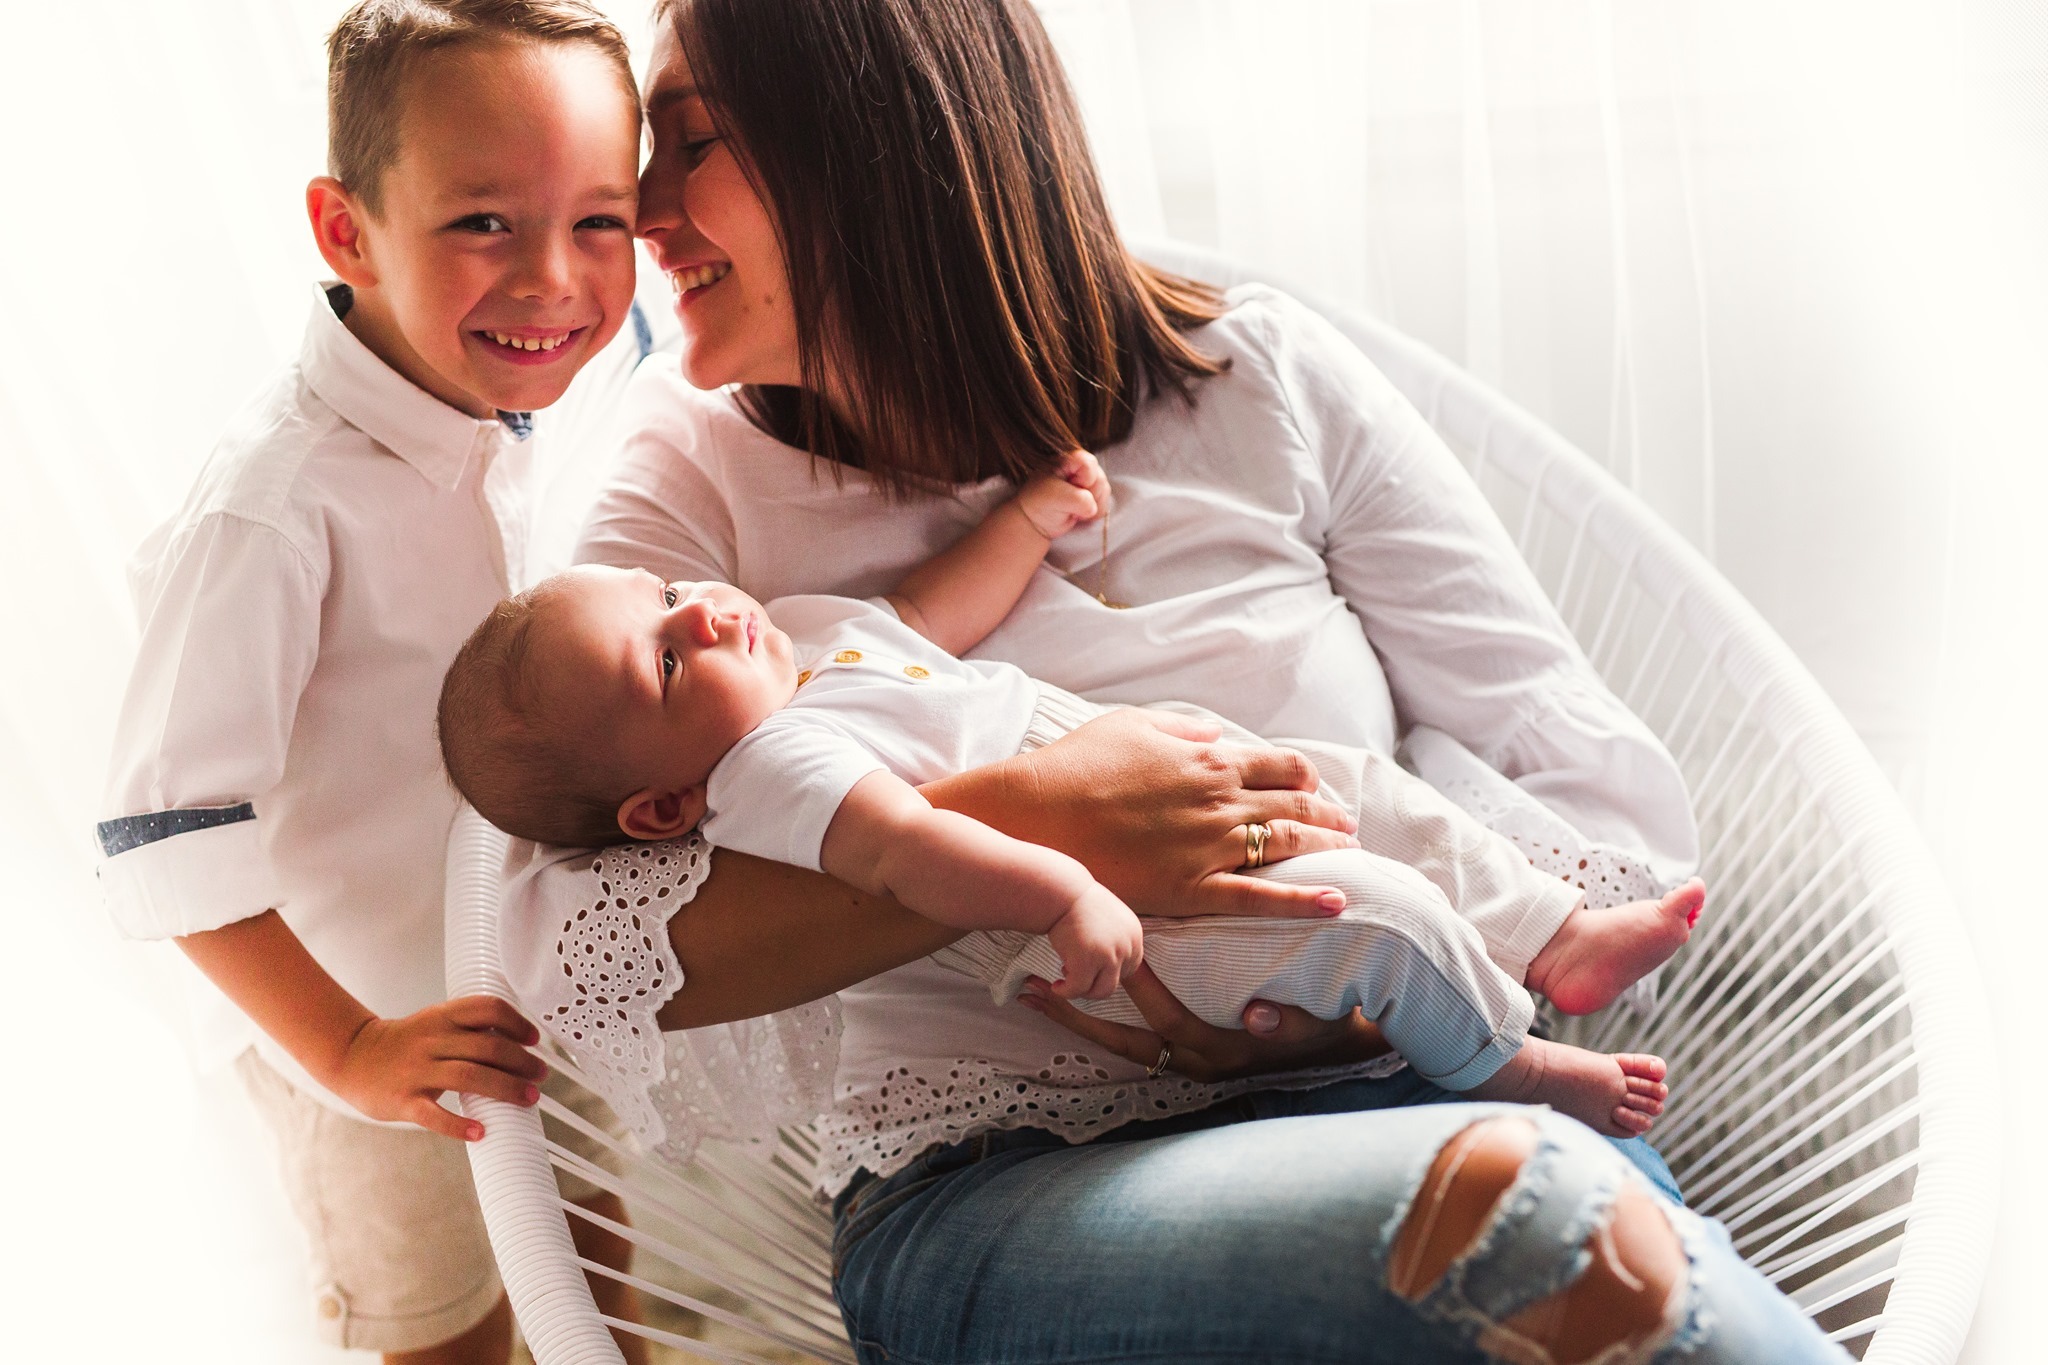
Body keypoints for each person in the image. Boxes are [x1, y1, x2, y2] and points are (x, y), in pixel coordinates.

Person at [491, 0, 1855, 1358]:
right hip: (1015, 1182)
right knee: (1540, 1215)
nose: (638, 213)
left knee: (1585, 1244)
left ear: (879, 139)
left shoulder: (1263, 382)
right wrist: (1042, 820)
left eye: (689, 145)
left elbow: (1591, 806)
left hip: (1415, 1084)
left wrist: (1342, 958)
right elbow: (558, 946)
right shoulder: (688, 504)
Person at [442, 452, 1704, 1137]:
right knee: (1368, 915)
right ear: (661, 807)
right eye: (667, 660)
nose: (704, 613)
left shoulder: (805, 639)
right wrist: (1062, 886)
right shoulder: (770, 772)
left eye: (666, 595)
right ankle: (1502, 1064)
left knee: (1361, 787)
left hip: (1192, 802)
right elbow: (912, 852)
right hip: (1141, 921)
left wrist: (1026, 524)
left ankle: (1555, 932)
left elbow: (933, 610)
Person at [93, 3, 651, 1361]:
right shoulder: (277, 511)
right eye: (482, 225)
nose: (553, 281)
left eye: (600, 222)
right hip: (364, 1021)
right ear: (346, 232)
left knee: (600, 1275)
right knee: (442, 1325)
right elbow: (163, 835)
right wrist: (349, 1049)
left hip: (528, 985)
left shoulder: (562, 390)